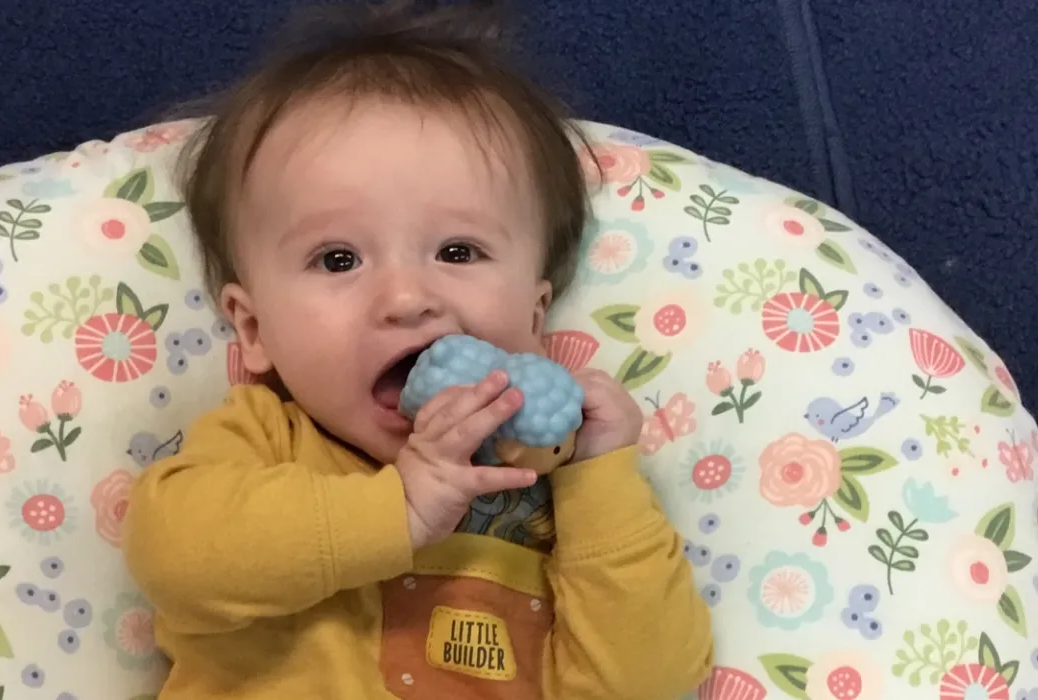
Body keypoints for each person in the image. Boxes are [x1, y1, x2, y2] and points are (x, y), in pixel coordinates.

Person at [122, 2, 713, 698]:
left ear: (535, 314)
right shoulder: (261, 440)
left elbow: (652, 681)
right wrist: (394, 512)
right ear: (254, 331)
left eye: (458, 251)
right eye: (338, 259)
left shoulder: (547, 496)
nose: (406, 298)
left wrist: (600, 479)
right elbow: (178, 561)